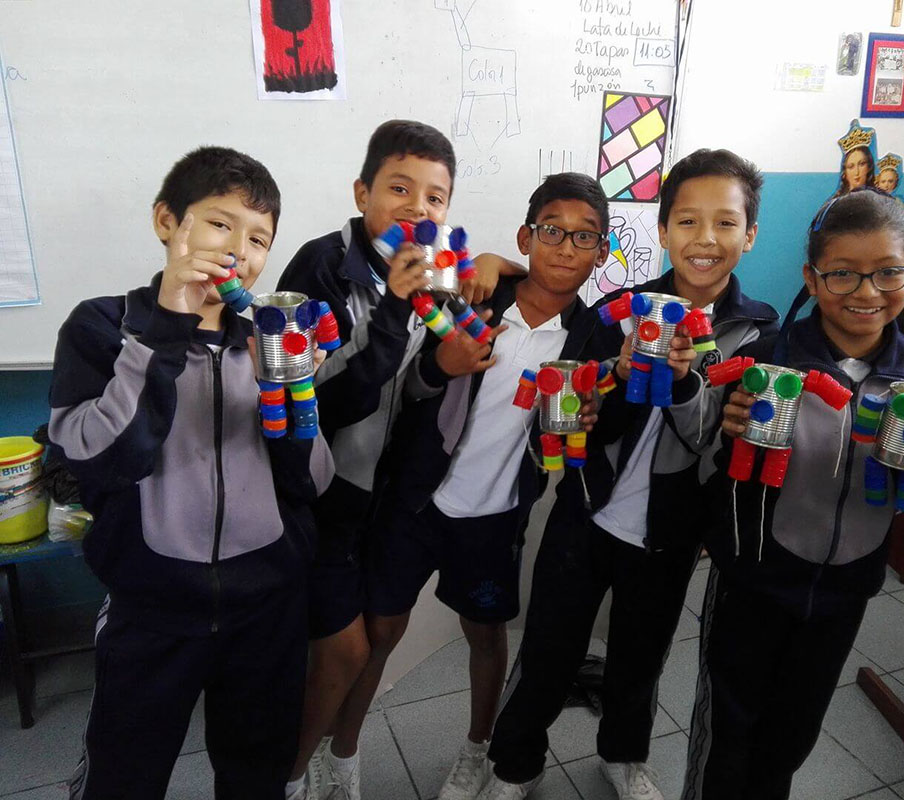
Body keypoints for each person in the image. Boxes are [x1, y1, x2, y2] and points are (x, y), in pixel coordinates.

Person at [482, 149, 779, 800]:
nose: (705, 239)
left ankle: (622, 754)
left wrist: (685, 384)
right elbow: (582, 419)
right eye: (687, 221)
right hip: (586, 514)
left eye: (725, 223)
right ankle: (515, 763)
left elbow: (721, 444)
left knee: (640, 655)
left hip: (671, 532)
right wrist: (609, 384)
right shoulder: (617, 310)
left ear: (750, 234)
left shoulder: (757, 332)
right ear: (664, 230)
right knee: (548, 646)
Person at [49, 146, 335, 799]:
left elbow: (310, 481)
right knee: (124, 777)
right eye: (220, 224)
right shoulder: (103, 327)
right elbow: (103, 463)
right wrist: (164, 332)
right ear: (166, 222)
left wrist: (292, 395)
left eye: (258, 238)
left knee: (256, 776)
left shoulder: (266, 336)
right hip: (151, 609)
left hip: (267, 607)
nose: (238, 249)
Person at [683, 189, 904, 800]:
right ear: (811, 278)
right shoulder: (765, 358)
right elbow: (700, 449)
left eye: (888, 272)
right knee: (728, 733)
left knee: (792, 736)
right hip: (751, 581)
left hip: (844, 590)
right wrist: (727, 428)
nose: (867, 291)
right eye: (842, 274)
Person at [345, 172, 613, 800]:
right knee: (380, 631)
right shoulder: (477, 296)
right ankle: (342, 753)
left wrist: (591, 416)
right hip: (417, 501)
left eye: (584, 237)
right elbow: (411, 387)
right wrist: (441, 367)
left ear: (602, 251)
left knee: (485, 634)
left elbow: (595, 416)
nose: (565, 247)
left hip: (495, 517)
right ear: (526, 237)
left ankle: (477, 748)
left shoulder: (594, 336)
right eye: (551, 231)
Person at [274, 119, 516, 800]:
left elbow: (410, 390)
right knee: (343, 648)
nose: (417, 208)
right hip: (323, 494)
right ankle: (288, 777)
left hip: (384, 498)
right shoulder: (322, 267)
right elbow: (324, 398)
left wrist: (443, 364)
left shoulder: (435, 273)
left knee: (367, 637)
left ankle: (337, 761)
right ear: (363, 193)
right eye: (399, 189)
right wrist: (392, 310)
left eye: (435, 197)